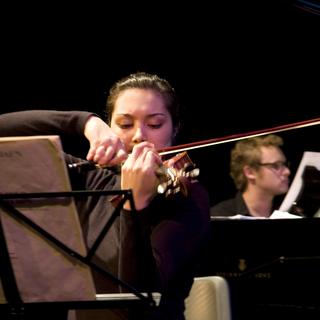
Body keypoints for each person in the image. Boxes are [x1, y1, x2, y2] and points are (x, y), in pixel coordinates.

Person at [0, 72, 211, 320]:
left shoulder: (185, 196)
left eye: (154, 124)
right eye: (124, 124)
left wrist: (135, 204)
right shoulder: (85, 178)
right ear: (109, 128)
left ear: (174, 129)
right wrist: (83, 122)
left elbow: (135, 302)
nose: (138, 136)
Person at [210, 134, 291, 218]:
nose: (287, 172)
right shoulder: (219, 215)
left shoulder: (289, 213)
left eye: (284, 165)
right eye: (275, 165)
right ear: (250, 172)